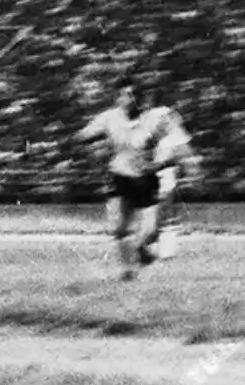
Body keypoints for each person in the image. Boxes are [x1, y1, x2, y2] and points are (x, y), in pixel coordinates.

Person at [75, 81, 202, 280]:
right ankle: (127, 270)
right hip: (120, 176)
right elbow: (83, 135)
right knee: (121, 227)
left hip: (146, 178)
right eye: (122, 96)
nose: (124, 101)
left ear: (138, 99)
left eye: (129, 96)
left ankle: (140, 250)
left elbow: (177, 140)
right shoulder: (110, 117)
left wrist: (182, 160)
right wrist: (91, 144)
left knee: (150, 229)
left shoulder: (154, 118)